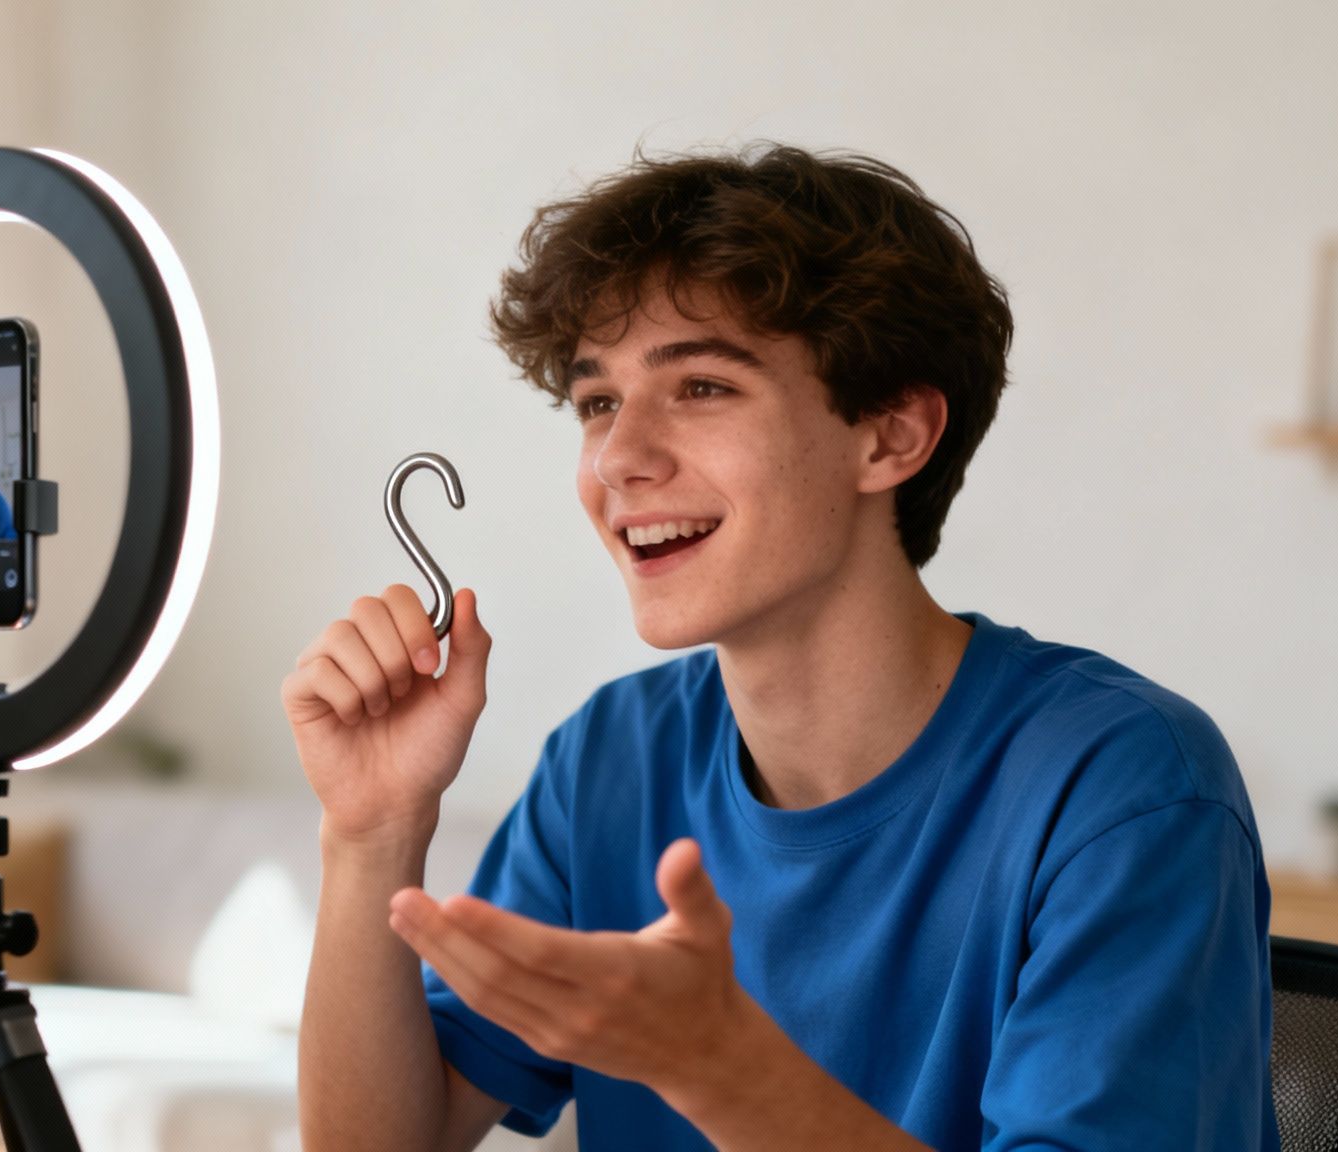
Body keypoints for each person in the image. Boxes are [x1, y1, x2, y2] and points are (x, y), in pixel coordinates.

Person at [284, 143, 1277, 1151]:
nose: (618, 460)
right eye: (597, 403)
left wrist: (716, 1065)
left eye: (701, 387)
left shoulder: (1124, 786)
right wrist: (370, 832)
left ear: (890, 436)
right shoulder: (609, 758)